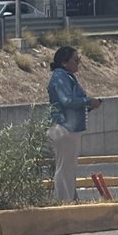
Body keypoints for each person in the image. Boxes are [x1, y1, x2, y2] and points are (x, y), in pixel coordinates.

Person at [47, 46, 102, 202]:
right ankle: (64, 201)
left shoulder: (66, 76)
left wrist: (89, 105)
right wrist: (88, 101)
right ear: (65, 62)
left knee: (68, 168)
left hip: (69, 128)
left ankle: (71, 199)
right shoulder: (60, 77)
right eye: (76, 60)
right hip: (64, 127)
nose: (78, 63)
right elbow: (67, 100)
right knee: (64, 169)